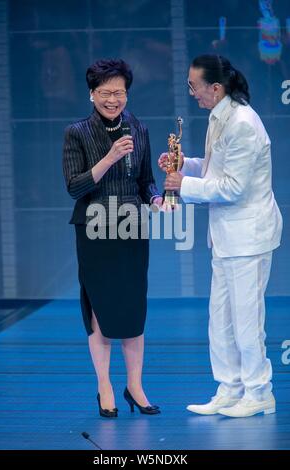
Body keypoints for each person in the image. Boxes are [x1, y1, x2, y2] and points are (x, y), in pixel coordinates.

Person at [159, 54, 283, 418]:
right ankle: (230, 388)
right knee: (221, 319)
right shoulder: (221, 117)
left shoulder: (243, 122)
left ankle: (259, 391)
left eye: (194, 86)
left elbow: (232, 187)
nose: (191, 93)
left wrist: (184, 184)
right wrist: (186, 165)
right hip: (227, 238)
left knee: (246, 320)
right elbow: (217, 168)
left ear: (216, 88)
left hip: (248, 236)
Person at [63, 59, 162, 417]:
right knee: (101, 313)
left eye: (118, 92)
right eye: (105, 93)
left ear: (127, 93)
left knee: (134, 311)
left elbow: (146, 179)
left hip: (132, 228)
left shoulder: (140, 128)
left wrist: (155, 199)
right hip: (94, 229)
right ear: (92, 95)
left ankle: (135, 387)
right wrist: (108, 157)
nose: (112, 99)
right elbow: (74, 187)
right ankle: (104, 386)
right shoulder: (76, 132)